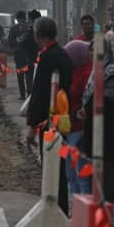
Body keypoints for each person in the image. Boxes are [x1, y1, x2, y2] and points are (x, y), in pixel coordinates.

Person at [26, 16, 73, 215]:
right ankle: (62, 207)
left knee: (50, 165)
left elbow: (40, 94)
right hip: (64, 122)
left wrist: (31, 127)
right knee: (61, 165)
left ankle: (54, 209)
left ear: (38, 36)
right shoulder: (64, 55)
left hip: (49, 125)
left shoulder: (47, 58)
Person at [79, 50, 114, 209]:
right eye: (90, 50)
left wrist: (87, 110)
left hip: (109, 130)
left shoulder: (112, 74)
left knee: (107, 173)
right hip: (93, 129)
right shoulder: (94, 73)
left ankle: (108, 212)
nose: (92, 54)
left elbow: (108, 99)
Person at [64, 37, 93, 198]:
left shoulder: (87, 74)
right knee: (72, 172)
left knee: (79, 171)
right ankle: (75, 206)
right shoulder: (76, 71)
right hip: (71, 125)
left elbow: (84, 99)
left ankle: (81, 207)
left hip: (79, 127)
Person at [9, 10, 34, 100]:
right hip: (28, 54)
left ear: (17, 19)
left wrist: (15, 43)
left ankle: (23, 94)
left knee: (20, 75)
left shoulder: (13, 29)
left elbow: (10, 42)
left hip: (18, 54)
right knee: (28, 73)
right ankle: (29, 93)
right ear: (25, 17)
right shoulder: (30, 28)